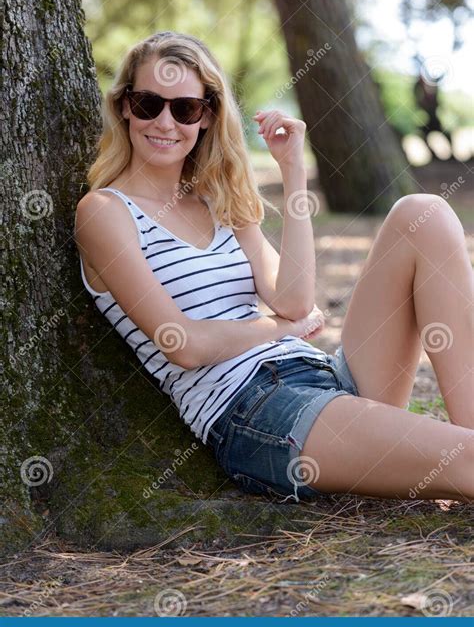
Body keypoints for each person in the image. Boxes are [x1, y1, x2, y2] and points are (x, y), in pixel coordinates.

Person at [74, 31, 473, 505]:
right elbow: (183, 344)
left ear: (206, 117)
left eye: (184, 108)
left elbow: (295, 300)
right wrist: (279, 328)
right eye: (148, 104)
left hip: (324, 377)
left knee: (421, 213)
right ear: (123, 107)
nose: (165, 122)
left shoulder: (218, 200)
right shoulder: (104, 212)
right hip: (256, 412)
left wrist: (292, 170)